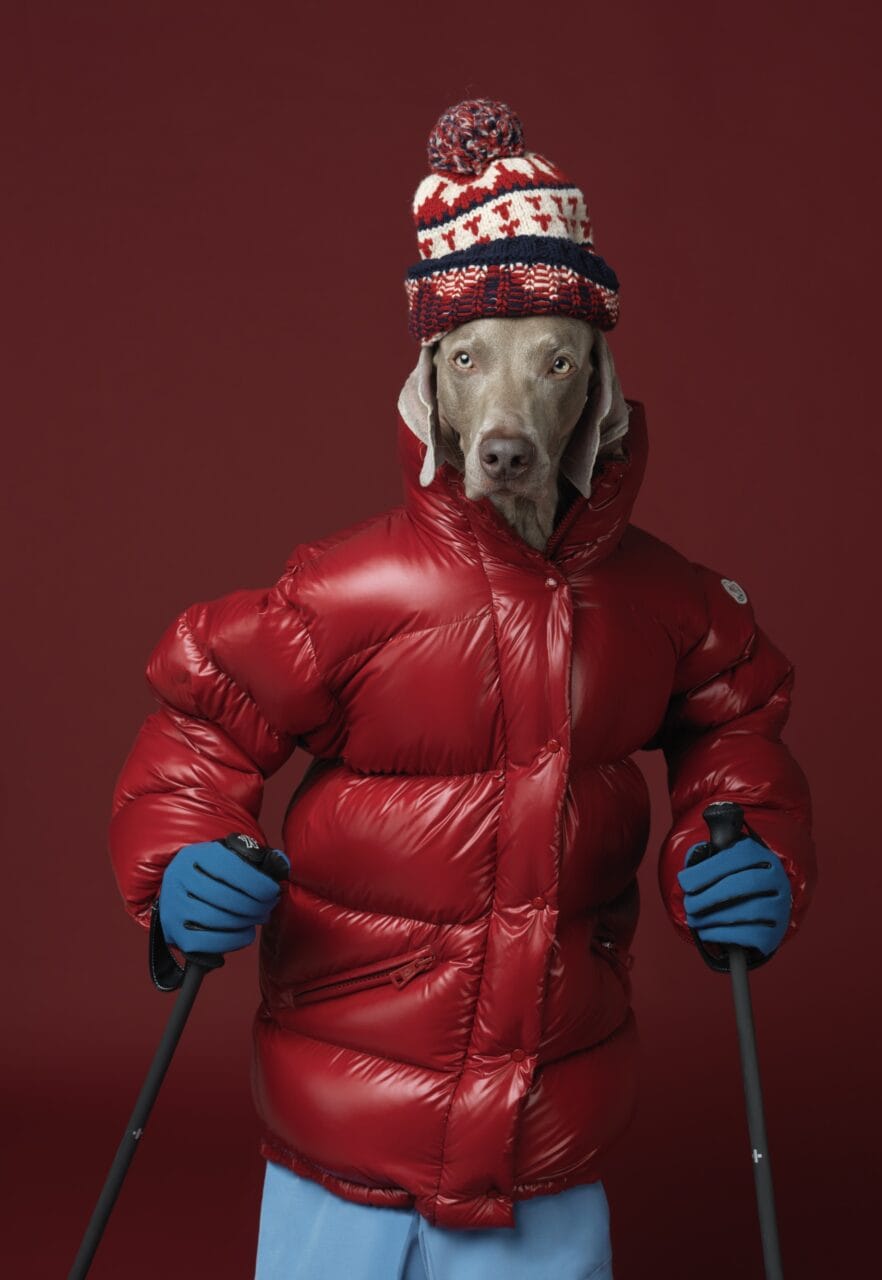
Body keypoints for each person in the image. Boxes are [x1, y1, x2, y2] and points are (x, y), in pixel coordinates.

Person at [109, 98, 816, 1279]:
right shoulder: (349, 591)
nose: (506, 420)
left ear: (598, 393)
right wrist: (180, 857)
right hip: (341, 1119)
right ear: (428, 388)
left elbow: (738, 717)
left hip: (548, 1125)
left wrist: (746, 845)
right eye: (471, 360)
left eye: (552, 363)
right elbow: (202, 725)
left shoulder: (663, 602)